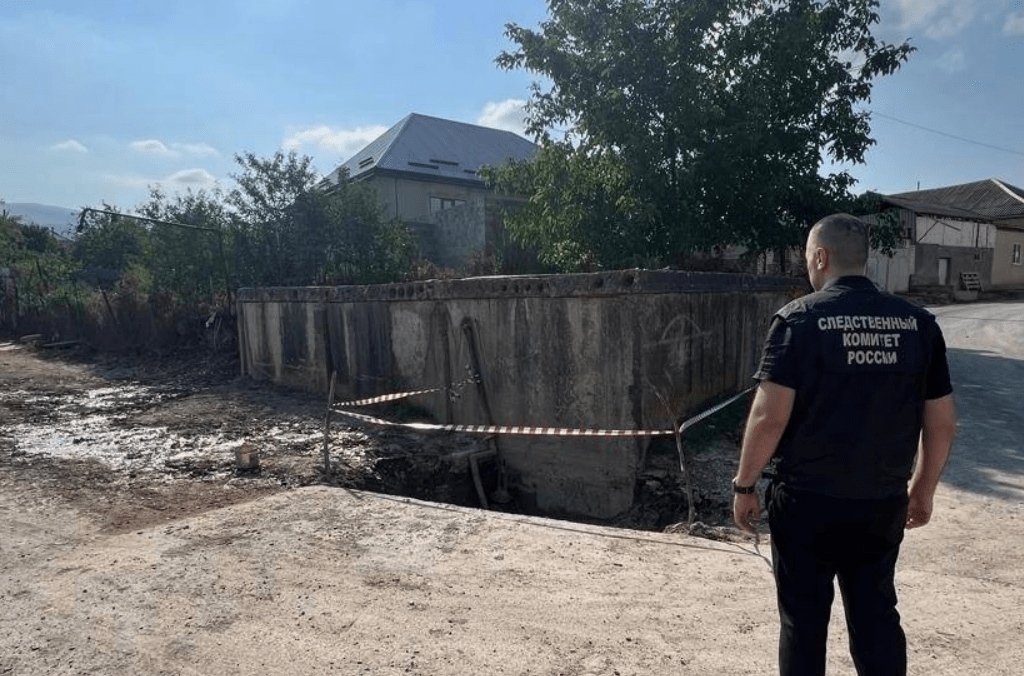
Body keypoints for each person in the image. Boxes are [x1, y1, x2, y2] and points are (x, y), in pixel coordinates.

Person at [732, 213, 957, 676]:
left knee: (803, 622)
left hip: (806, 505)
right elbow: (941, 423)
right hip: (880, 503)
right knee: (876, 618)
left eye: (807, 258)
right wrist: (923, 488)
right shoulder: (919, 325)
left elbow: (768, 416)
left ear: (820, 257)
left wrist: (744, 485)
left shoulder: (799, 320)